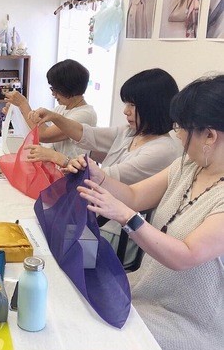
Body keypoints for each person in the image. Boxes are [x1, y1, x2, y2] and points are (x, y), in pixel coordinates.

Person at [72, 74, 224, 350]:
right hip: (148, 290)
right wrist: (98, 177)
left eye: (182, 128)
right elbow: (134, 196)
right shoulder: (187, 166)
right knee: (76, 304)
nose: (177, 135)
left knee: (93, 337)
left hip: (191, 320)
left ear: (209, 135)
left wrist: (128, 218)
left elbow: (186, 256)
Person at [27, 68, 182, 265]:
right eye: (126, 104)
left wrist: (60, 159)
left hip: (114, 231)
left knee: (43, 248)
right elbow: (87, 134)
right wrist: (55, 117)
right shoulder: (131, 133)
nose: (126, 111)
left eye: (133, 105)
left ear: (153, 107)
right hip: (93, 216)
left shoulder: (162, 150)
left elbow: (105, 177)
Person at [4, 58, 98, 161]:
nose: (53, 94)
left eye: (55, 89)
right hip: (56, 167)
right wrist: (18, 112)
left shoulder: (85, 114)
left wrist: (23, 104)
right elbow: (35, 128)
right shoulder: (62, 108)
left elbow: (44, 135)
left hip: (72, 170)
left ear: (68, 88)